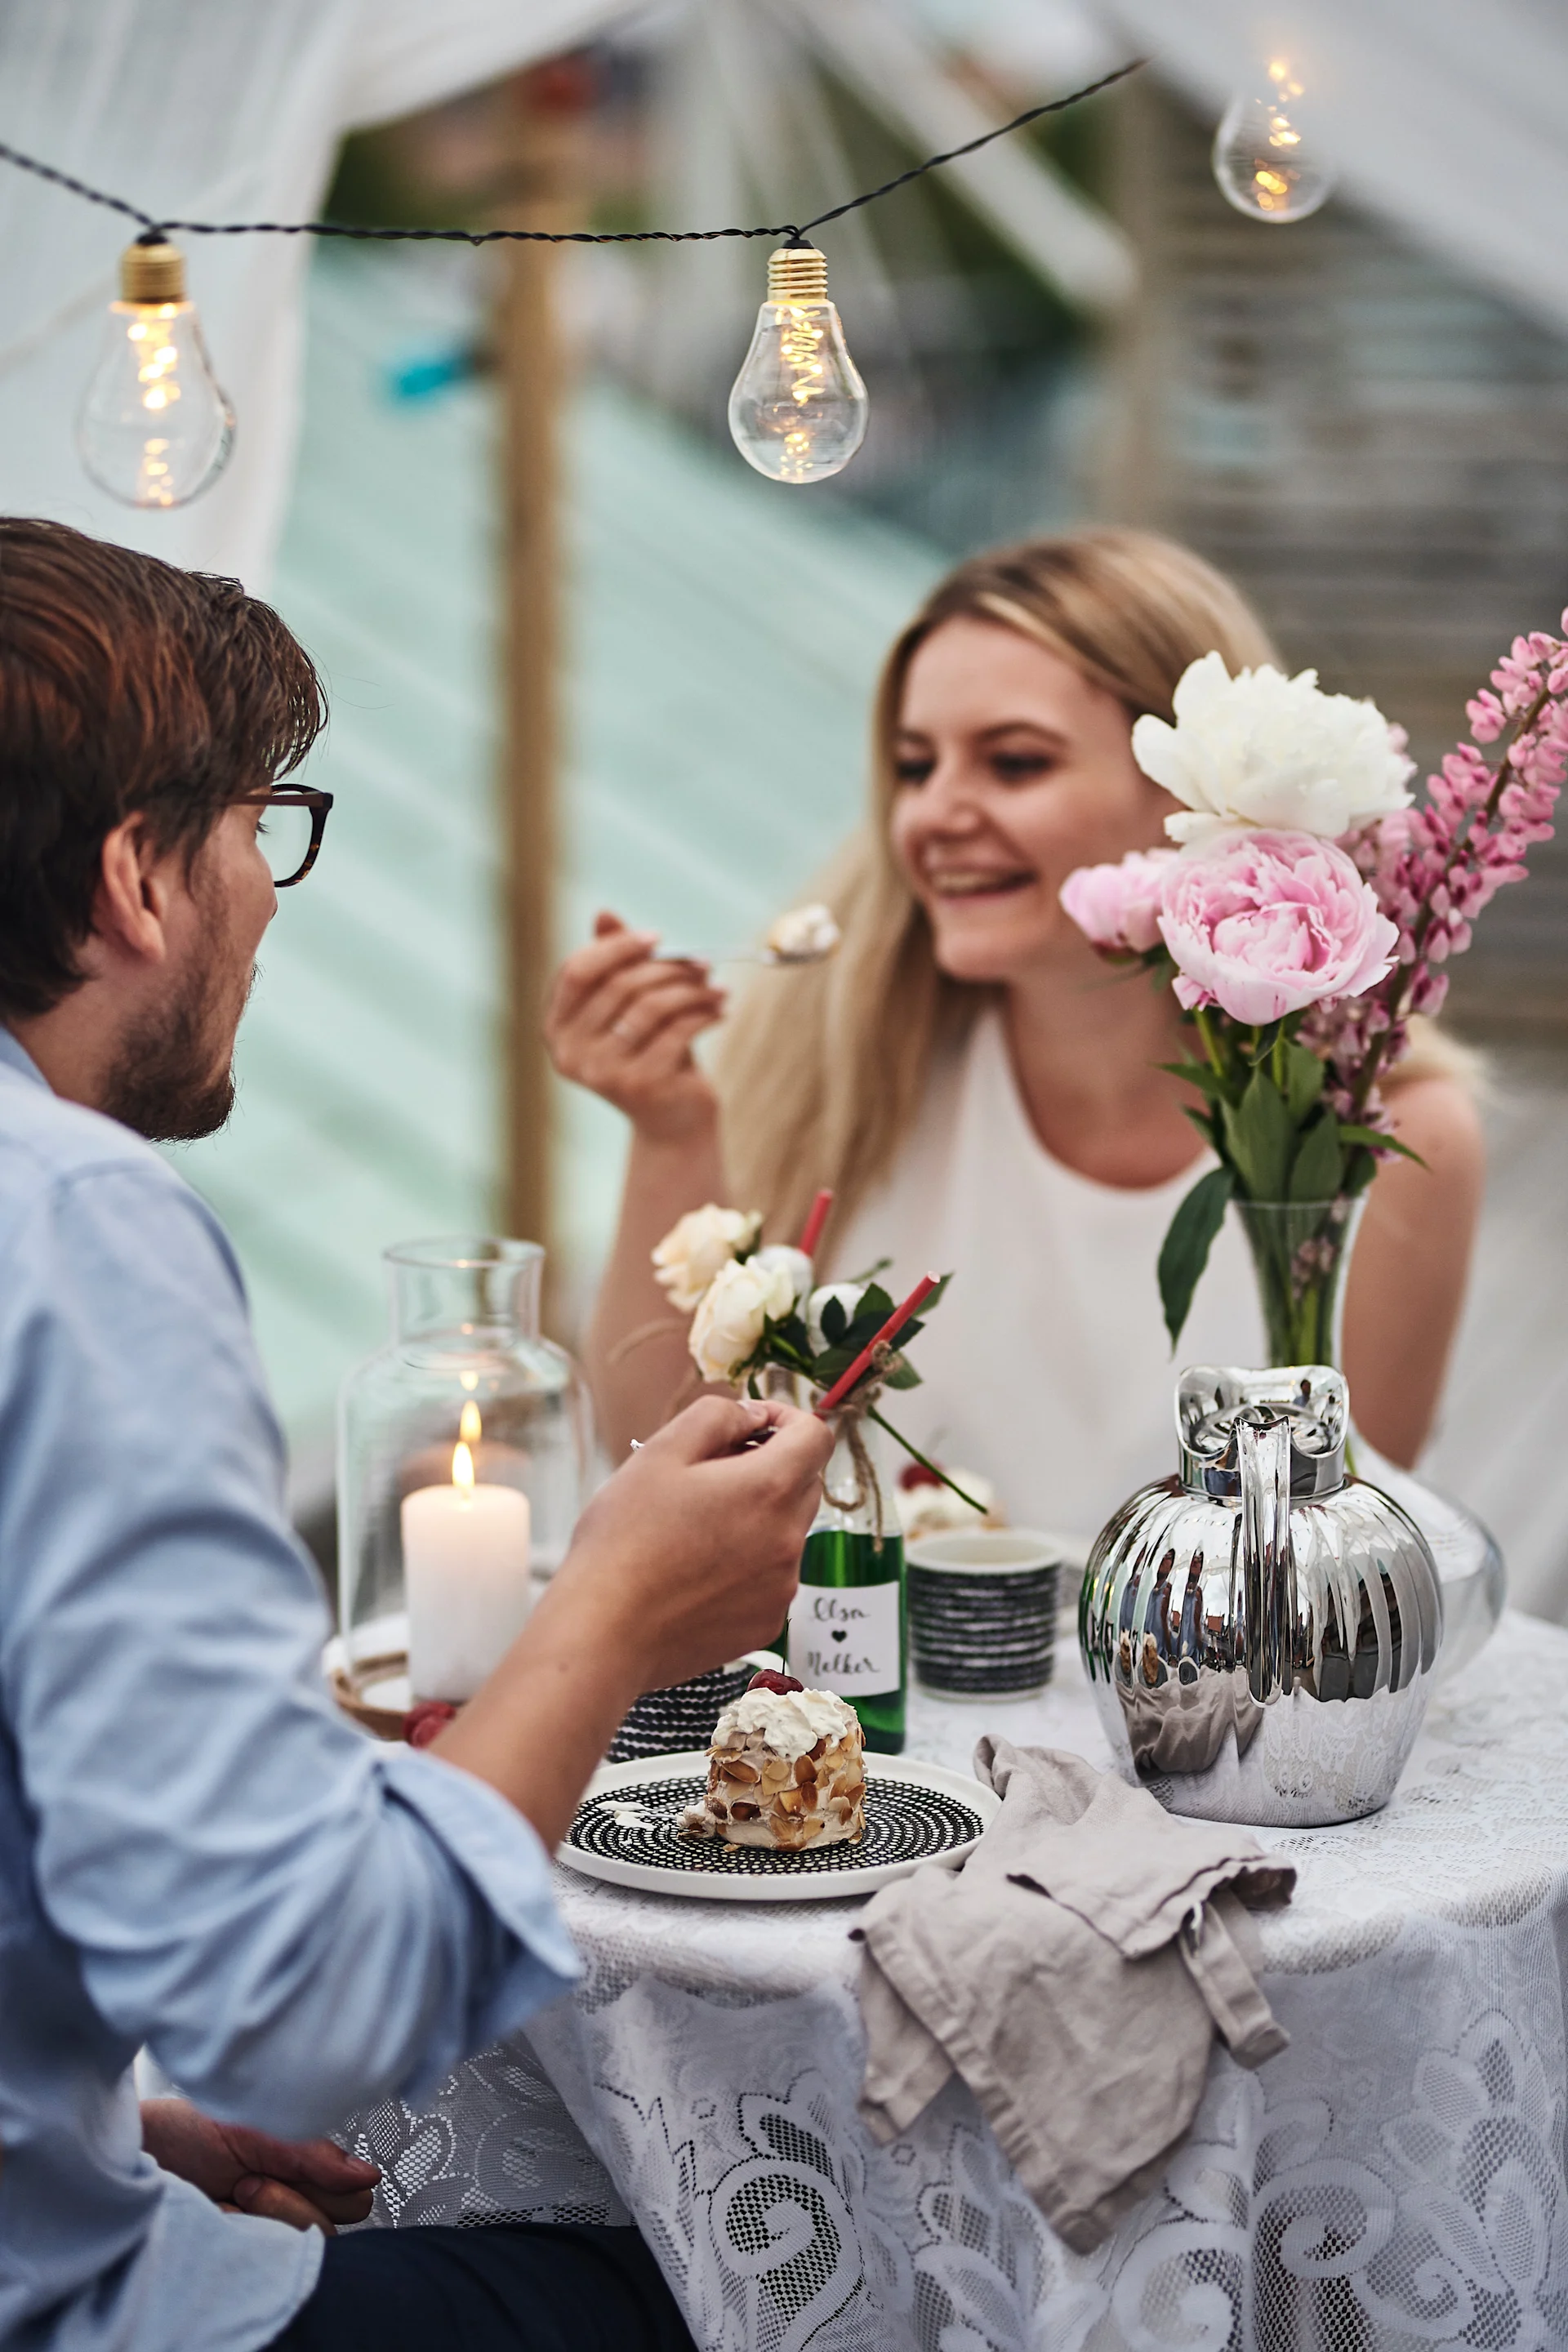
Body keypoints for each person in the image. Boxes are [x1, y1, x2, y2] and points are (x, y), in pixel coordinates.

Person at [0, 519, 833, 2352]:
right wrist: (605, 1616)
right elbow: (306, 2009)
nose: (274, 896)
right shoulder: (70, 1225)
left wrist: (91, 2132)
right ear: (141, 875)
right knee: (747, 2273)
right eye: (257, 828)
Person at [548, 530, 1483, 1546]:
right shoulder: (832, 1056)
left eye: (1014, 761)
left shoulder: (1389, 1143)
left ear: (1196, 793)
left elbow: (1340, 1559)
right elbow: (652, 1452)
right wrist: (670, 1129)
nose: (935, 813)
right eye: (914, 765)